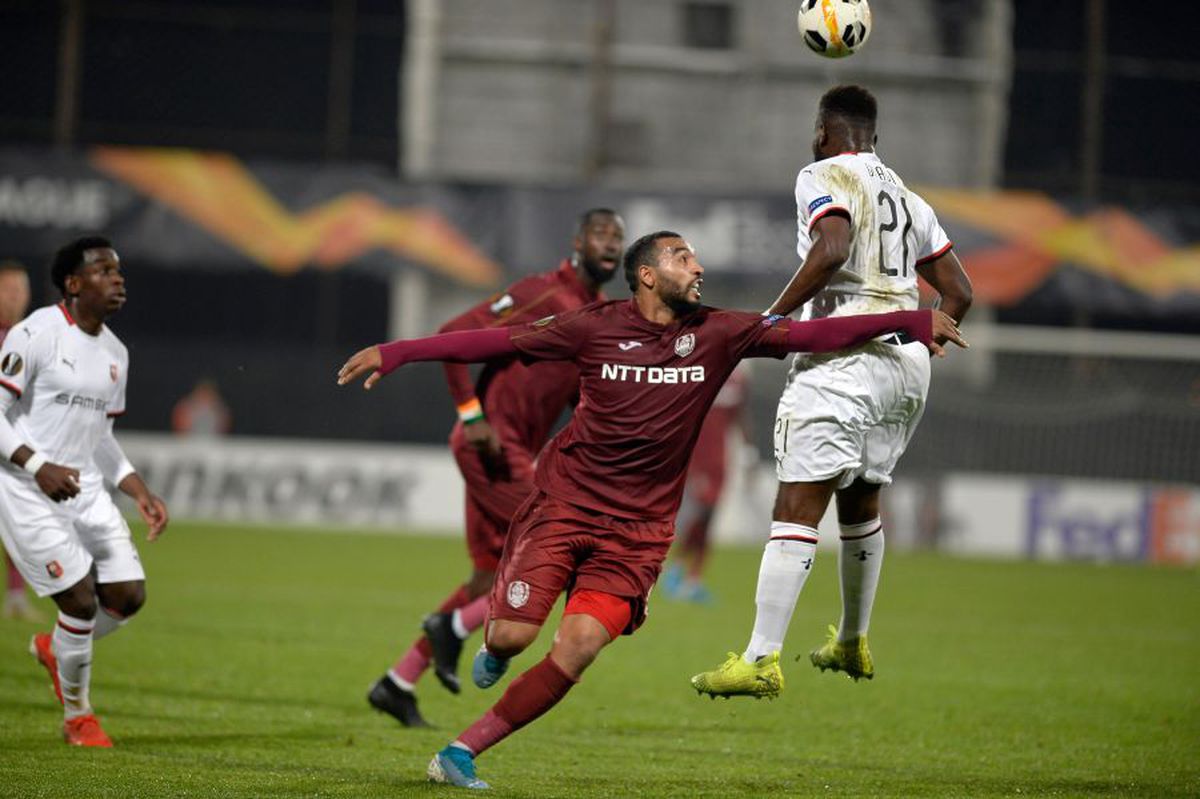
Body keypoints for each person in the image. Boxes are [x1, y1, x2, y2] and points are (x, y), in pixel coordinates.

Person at [338, 229, 966, 789]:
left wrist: (910, 323)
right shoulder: (594, 326)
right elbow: (493, 339)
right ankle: (495, 646)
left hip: (637, 534)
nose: (697, 267)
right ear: (647, 273)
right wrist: (395, 353)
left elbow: (810, 332)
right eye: (682, 257)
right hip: (565, 505)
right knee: (511, 635)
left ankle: (459, 753)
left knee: (578, 649)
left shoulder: (720, 332)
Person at [691, 84, 973, 699]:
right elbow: (959, 292)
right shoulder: (910, 198)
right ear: (875, 136)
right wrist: (925, 343)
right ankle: (852, 639)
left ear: (825, 131)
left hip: (844, 359)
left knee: (797, 505)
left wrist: (772, 319)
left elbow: (833, 246)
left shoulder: (820, 174)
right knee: (862, 500)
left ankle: (762, 659)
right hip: (905, 367)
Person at [366, 208, 626, 728]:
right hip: (489, 445)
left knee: (489, 578)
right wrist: (471, 414)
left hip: (514, 456)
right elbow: (455, 332)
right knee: (558, 549)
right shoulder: (542, 291)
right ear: (577, 241)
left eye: (619, 238)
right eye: (602, 233)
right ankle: (452, 629)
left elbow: (581, 399)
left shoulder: (593, 314)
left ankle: (398, 682)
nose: (612, 244)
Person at [0, 236, 170, 747]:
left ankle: (58, 650)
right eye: (102, 271)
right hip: (27, 489)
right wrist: (36, 463)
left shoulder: (115, 354)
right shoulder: (35, 334)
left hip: (86, 490)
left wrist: (136, 487)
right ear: (73, 285)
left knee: (126, 596)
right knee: (77, 600)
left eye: (117, 271)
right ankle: (79, 717)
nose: (116, 279)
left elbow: (100, 435)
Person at [661, 362, 752, 604]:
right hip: (696, 455)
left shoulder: (738, 377)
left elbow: (740, 415)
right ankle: (678, 567)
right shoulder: (701, 366)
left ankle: (692, 577)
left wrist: (748, 448)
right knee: (700, 511)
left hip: (721, 459)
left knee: (710, 517)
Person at [0, 261, 40, 622]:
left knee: (15, 522)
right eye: (9, 290)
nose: (17, 298)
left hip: (10, 448)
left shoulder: (30, 340)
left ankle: (14, 597)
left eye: (21, 291)